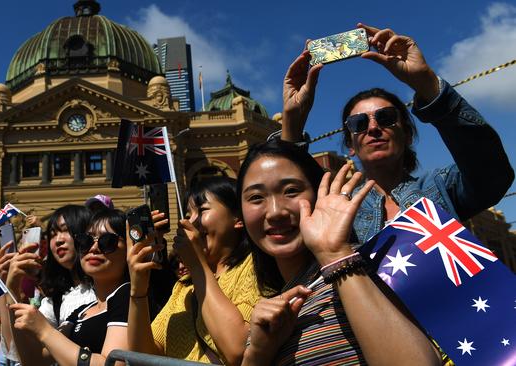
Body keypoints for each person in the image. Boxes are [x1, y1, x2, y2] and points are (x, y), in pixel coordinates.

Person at [281, 23, 514, 243]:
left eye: (386, 118)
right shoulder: (334, 205)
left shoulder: (442, 185)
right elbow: (285, 208)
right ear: (350, 145)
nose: (373, 128)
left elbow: (491, 174)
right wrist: (292, 121)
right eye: (359, 123)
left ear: (408, 135)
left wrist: (426, 83)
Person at [237, 139, 442, 365]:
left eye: (291, 191)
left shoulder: (373, 264)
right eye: (256, 197)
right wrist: (258, 353)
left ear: (319, 194)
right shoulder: (265, 318)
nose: (275, 212)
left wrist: (335, 255)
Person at [127, 177, 262, 365]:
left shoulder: (255, 267)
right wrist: (138, 290)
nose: (189, 221)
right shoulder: (182, 289)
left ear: (238, 218)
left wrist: (197, 264)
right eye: (188, 213)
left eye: (202, 210)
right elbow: (141, 359)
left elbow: (238, 350)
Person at [10, 209, 131, 366]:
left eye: (107, 241)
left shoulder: (129, 295)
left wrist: (44, 331)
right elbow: (34, 360)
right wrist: (12, 289)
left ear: (130, 250)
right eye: (86, 240)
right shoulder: (81, 312)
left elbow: (111, 363)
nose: (93, 248)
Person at [4, 204, 96, 364]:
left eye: (65, 230)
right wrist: (11, 286)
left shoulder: (107, 286)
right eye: (52, 234)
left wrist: (45, 331)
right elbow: (29, 356)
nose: (58, 240)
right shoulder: (56, 301)